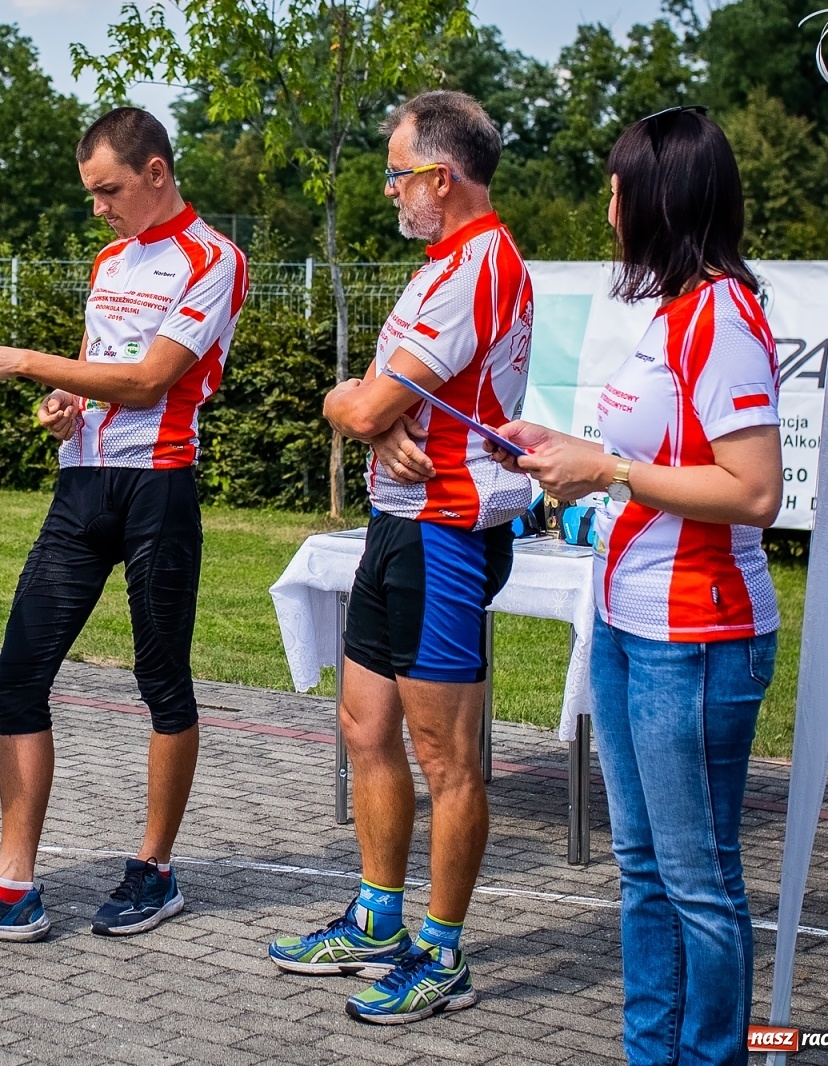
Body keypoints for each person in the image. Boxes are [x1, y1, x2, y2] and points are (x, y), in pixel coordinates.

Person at [0, 107, 247, 942]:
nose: (98, 208)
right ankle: (13, 888)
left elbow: (150, 380)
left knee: (161, 679)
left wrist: (21, 362)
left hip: (158, 487)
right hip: (82, 486)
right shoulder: (108, 259)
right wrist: (65, 402)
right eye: (90, 193)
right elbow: (102, 375)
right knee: (15, 675)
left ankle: (154, 871)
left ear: (156, 173)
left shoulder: (215, 259)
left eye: (109, 191)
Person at [486, 107, 782, 1065]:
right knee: (643, 870)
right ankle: (650, 1051)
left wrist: (606, 472)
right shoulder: (673, 314)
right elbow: (657, 456)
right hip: (628, 621)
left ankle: (710, 1055)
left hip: (696, 637)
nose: (608, 209)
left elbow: (753, 490)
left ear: (660, 197)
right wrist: (572, 453)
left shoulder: (724, 316)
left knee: (698, 882)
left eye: (617, 188)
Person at [267, 90, 533, 1024]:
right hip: (398, 521)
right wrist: (369, 415)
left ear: (441, 176)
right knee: (363, 724)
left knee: (446, 758)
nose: (389, 192)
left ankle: (442, 953)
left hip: (446, 533)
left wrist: (359, 412)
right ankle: (378, 918)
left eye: (396, 173)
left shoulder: (474, 268)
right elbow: (380, 408)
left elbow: (370, 407)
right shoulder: (443, 263)